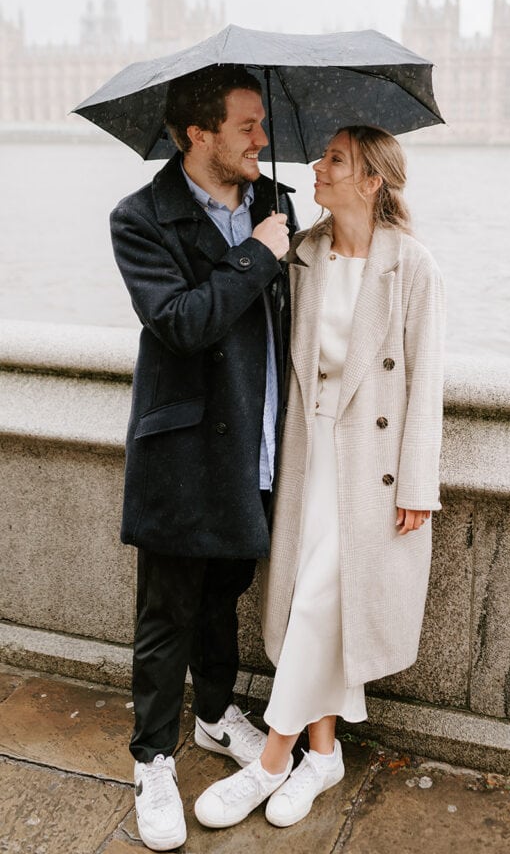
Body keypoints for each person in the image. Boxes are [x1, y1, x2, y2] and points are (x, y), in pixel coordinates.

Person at [194, 124, 445, 830]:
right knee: (319, 596)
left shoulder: (413, 266)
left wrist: (419, 485)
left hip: (375, 471)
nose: (317, 165)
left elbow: (426, 381)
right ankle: (325, 751)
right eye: (321, 155)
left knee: (320, 596)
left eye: (334, 159)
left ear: (370, 180)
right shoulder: (299, 255)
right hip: (309, 458)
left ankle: (273, 758)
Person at [110, 64, 297, 852]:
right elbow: (181, 323)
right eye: (247, 126)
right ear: (198, 134)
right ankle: (151, 759)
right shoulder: (140, 218)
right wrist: (256, 257)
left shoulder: (276, 202)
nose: (263, 139)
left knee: (227, 587)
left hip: (259, 440)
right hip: (185, 447)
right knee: (168, 611)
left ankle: (217, 714)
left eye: (262, 125)